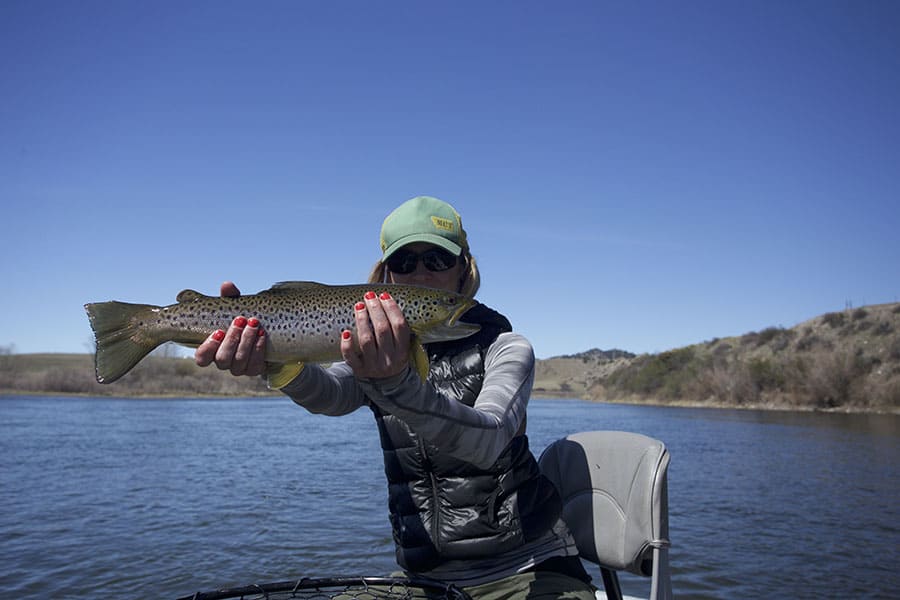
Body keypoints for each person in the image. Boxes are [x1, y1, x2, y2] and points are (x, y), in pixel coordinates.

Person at [194, 196, 596, 600]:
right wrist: (272, 362)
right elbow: (332, 395)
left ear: (463, 271)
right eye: (405, 263)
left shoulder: (506, 347)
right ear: (386, 276)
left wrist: (395, 383)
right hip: (426, 582)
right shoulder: (372, 350)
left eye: (437, 259)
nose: (420, 274)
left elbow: (489, 439)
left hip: (530, 570)